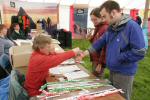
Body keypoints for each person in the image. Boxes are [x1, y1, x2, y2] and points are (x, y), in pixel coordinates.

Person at [78, 1, 146, 100]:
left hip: (124, 72)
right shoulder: (112, 27)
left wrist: (118, 57)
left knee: (121, 97)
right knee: (113, 96)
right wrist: (85, 52)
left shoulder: (132, 27)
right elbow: (100, 42)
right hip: (113, 69)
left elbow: (140, 52)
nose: (103, 19)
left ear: (113, 13)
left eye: (104, 16)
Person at [24, 34, 80, 99]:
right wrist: (73, 52)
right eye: (48, 47)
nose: (50, 48)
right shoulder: (38, 58)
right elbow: (56, 59)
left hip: (40, 88)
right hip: (35, 93)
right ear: (40, 48)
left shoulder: (38, 53)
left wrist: (52, 51)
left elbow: (55, 55)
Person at [87, 7, 108, 77]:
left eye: (95, 19)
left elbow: (105, 47)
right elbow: (97, 44)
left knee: (97, 80)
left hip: (99, 60)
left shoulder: (104, 28)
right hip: (96, 58)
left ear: (101, 18)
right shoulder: (98, 27)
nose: (93, 22)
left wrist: (100, 64)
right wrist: (90, 39)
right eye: (92, 20)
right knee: (94, 77)